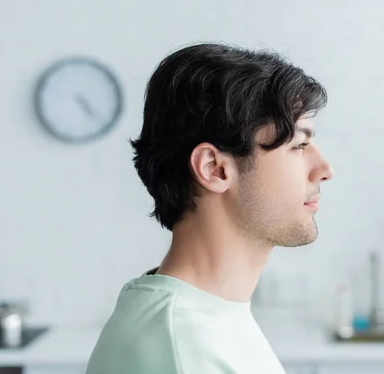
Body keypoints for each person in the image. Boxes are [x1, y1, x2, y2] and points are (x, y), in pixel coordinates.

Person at [85, 43, 334, 374]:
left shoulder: (205, 317)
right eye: (299, 145)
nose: (325, 169)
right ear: (214, 169)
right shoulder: (183, 348)